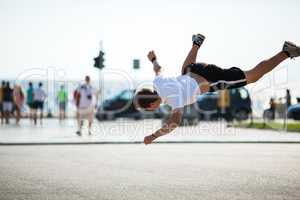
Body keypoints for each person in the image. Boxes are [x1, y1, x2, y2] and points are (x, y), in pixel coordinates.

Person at [134, 34, 300, 145]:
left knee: (252, 76)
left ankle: (285, 52)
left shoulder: (174, 99)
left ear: (150, 106)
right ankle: (196, 44)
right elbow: (158, 69)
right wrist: (153, 59)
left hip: (212, 78)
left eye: (147, 109)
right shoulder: (158, 82)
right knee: (184, 70)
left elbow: (175, 122)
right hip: (195, 69)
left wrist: (153, 136)